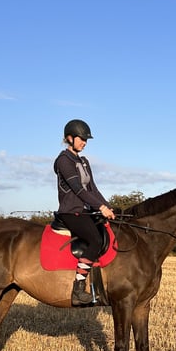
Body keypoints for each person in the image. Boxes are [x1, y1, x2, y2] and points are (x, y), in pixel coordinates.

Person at [54, 119, 116, 305]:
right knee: (95, 239)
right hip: (70, 212)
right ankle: (78, 289)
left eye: (86, 140)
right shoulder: (63, 160)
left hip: (86, 211)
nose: (84, 142)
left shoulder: (84, 161)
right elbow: (78, 190)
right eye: (81, 139)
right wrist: (100, 208)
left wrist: (108, 207)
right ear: (69, 138)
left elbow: (93, 190)